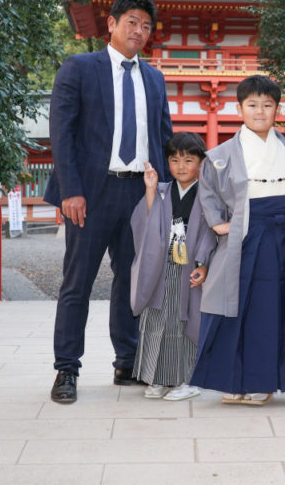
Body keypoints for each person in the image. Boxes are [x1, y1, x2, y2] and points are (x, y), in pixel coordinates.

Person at [43, 0, 173, 403]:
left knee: (132, 280)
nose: (139, 31)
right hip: (92, 192)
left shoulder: (154, 77)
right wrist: (71, 191)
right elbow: (61, 135)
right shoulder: (80, 68)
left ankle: (127, 361)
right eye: (131, 22)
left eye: (146, 26)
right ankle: (67, 369)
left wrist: (167, 194)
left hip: (139, 191)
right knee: (77, 281)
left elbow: (164, 138)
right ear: (112, 25)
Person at [189, 75, 285, 406]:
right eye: (252, 105)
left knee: (268, 311)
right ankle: (232, 381)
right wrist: (218, 222)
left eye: (267, 105)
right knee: (233, 309)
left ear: (278, 108)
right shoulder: (220, 154)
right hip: (244, 236)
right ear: (239, 108)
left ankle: (263, 382)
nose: (260, 111)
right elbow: (208, 192)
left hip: (282, 237)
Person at [129, 132, 212, 401]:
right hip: (161, 268)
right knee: (156, 320)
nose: (181, 166)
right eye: (174, 160)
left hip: (190, 268)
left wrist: (203, 263)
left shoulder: (207, 194)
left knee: (183, 322)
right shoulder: (162, 190)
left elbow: (212, 232)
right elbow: (147, 223)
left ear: (201, 163)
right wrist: (151, 190)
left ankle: (188, 380)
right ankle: (158, 378)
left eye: (189, 160)